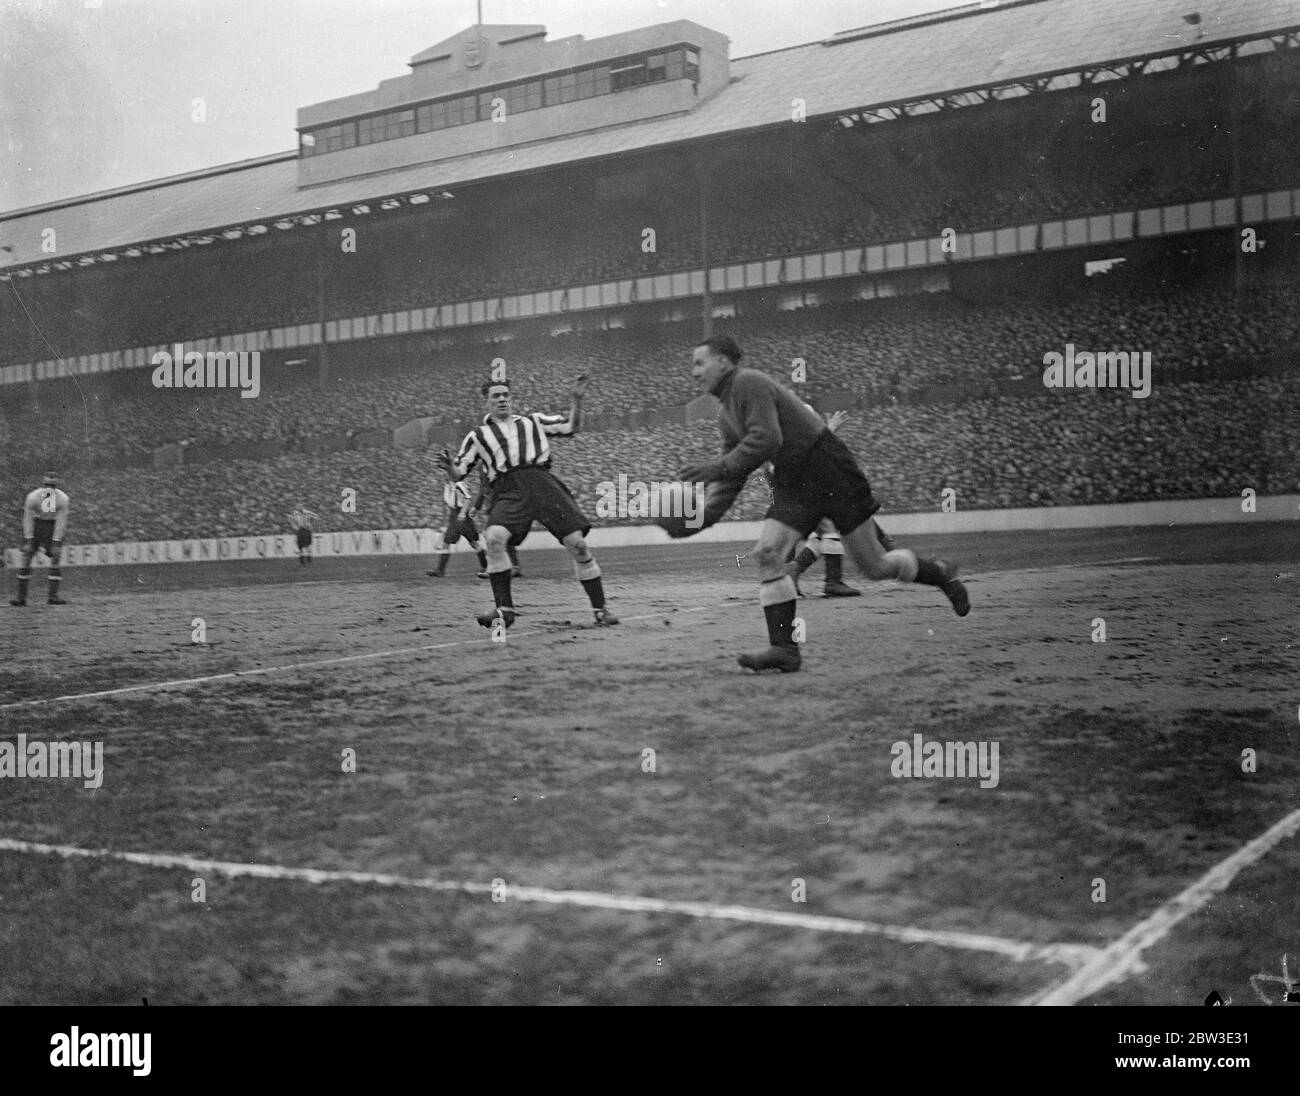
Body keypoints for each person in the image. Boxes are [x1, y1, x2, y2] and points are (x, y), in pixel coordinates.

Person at [662, 335, 968, 673]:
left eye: (699, 362)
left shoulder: (748, 382)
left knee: (875, 566)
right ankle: (784, 650)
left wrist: (714, 469)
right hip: (794, 478)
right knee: (767, 553)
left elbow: (767, 439)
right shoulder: (726, 413)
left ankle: (940, 575)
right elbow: (734, 476)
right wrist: (699, 520)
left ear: (723, 362)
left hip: (826, 465)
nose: (694, 372)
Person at [438, 376, 616, 628]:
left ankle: (600, 610)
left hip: (542, 482)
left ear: (511, 398)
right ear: (486, 403)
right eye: (495, 396)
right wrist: (449, 468)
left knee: (578, 545)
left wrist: (576, 401)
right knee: (494, 538)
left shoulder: (533, 422)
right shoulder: (477, 436)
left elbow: (570, 427)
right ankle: (504, 610)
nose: (501, 399)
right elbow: (460, 471)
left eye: (505, 395)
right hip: (508, 488)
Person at [12, 473, 70, 606]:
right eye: (47, 485)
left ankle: (53, 596)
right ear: (43, 485)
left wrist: (56, 543)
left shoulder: (63, 499)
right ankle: (21, 598)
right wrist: (28, 540)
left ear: (56, 486)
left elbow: (61, 522)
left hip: (52, 525)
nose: (49, 488)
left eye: (52, 486)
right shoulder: (32, 497)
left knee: (55, 556)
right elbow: (27, 519)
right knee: (27, 556)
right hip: (36, 524)